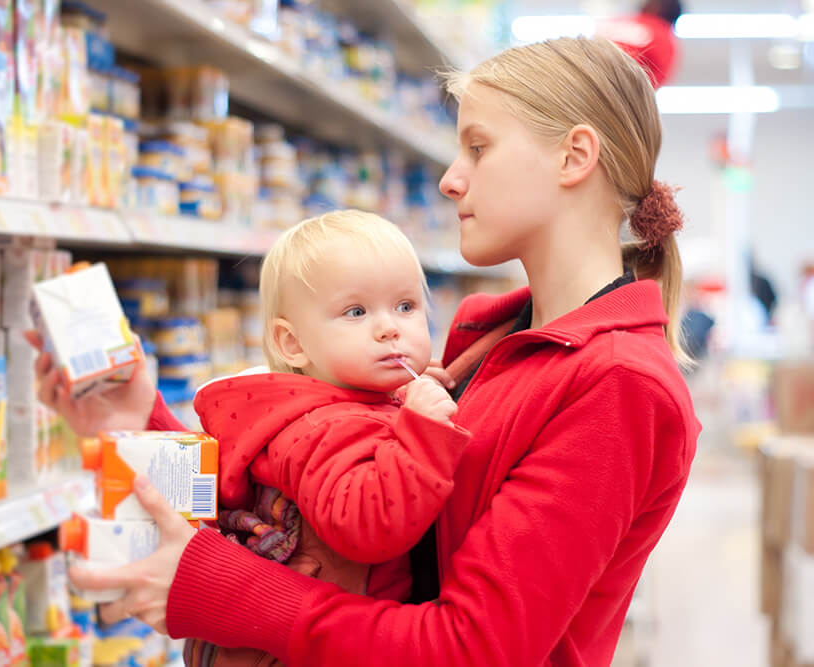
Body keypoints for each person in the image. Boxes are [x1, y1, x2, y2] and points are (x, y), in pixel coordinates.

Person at [35, 37, 700, 666]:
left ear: (574, 156)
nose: (449, 179)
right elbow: (308, 504)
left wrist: (215, 587)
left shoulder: (618, 384)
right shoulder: (489, 341)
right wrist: (136, 424)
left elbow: (467, 649)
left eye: (477, 147)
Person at [184, 210, 470, 666]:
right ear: (293, 344)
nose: (389, 327)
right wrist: (421, 433)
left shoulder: (340, 405)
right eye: (356, 312)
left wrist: (396, 393)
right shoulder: (320, 427)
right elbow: (368, 525)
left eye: (406, 306)